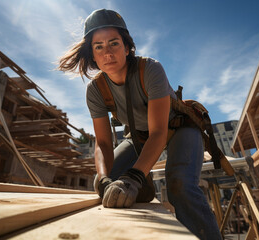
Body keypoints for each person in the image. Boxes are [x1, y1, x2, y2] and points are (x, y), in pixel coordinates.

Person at [58, 9, 222, 239]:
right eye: (99, 46)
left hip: (177, 128)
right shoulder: (95, 90)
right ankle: (141, 188)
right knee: (103, 179)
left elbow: (158, 132)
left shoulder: (151, 69)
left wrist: (133, 177)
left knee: (180, 186)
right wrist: (105, 180)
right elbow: (103, 143)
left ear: (127, 48)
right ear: (93, 55)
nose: (107, 52)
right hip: (139, 135)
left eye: (114, 43)